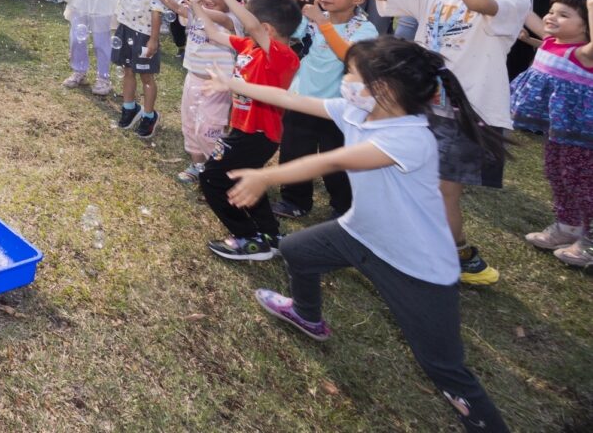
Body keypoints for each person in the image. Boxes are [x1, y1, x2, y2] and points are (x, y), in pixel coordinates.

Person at [217, 37, 510, 433]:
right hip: (360, 233)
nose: (345, 81)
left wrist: (266, 176)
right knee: (298, 250)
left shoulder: (410, 137)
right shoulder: (357, 110)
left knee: (443, 367)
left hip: (416, 264)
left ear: (382, 89)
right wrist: (233, 83)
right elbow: (290, 99)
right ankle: (306, 315)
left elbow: (334, 160)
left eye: (351, 74)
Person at [356, 0, 531, 285]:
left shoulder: (515, 3)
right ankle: (407, 244)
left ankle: (458, 253)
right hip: (419, 104)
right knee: (403, 178)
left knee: (441, 191)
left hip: (466, 113)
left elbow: (478, 3)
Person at [187, 0, 303, 260]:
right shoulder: (249, 46)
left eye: (251, 20)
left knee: (213, 178)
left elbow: (251, 25)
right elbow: (213, 33)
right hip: (243, 131)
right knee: (244, 179)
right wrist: (196, 4)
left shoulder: (283, 56)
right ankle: (270, 235)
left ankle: (247, 237)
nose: (245, 26)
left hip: (258, 135)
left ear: (266, 29)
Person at [271, 0, 378, 220]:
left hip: (339, 108)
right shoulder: (311, 19)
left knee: (337, 160)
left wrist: (322, 22)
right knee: (294, 152)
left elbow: (349, 57)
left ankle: (343, 207)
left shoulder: (365, 29)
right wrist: (288, 2)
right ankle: (294, 200)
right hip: (301, 99)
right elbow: (279, 30)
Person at [511, 0, 593, 267]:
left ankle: (590, 240)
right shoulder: (549, 41)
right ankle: (569, 227)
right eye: (551, 11)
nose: (551, 17)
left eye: (564, 15)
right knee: (557, 174)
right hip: (557, 132)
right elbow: (526, 10)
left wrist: (591, 4)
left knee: (581, 181)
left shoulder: (584, 54)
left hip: (582, 135)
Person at [149, 0, 241, 184]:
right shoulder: (196, 12)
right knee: (190, 125)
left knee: (209, 128)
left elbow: (218, 18)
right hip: (193, 78)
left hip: (217, 85)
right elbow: (181, 10)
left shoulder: (233, 19)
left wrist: (195, 4)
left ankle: (219, 169)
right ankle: (198, 165)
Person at [112, 0, 166, 138]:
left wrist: (153, 40)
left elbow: (156, 13)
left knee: (146, 76)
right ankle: (129, 107)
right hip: (125, 29)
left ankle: (149, 115)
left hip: (144, 35)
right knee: (127, 70)